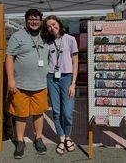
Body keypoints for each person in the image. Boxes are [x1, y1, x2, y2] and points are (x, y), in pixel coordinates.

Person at [6, 9, 49, 159]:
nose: (34, 21)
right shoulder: (17, 36)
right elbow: (9, 58)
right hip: (20, 85)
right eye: (31, 19)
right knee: (21, 114)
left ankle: (39, 139)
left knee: (39, 113)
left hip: (41, 84)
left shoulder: (45, 36)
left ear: (41, 20)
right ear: (26, 20)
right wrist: (11, 80)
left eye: (36, 19)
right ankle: (19, 141)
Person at [41, 15, 79, 155]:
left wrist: (73, 83)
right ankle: (62, 138)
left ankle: (68, 136)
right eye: (49, 26)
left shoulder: (70, 39)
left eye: (53, 24)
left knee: (67, 112)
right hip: (52, 78)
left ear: (59, 23)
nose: (52, 28)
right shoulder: (47, 43)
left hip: (67, 78)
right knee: (56, 111)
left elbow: (75, 61)